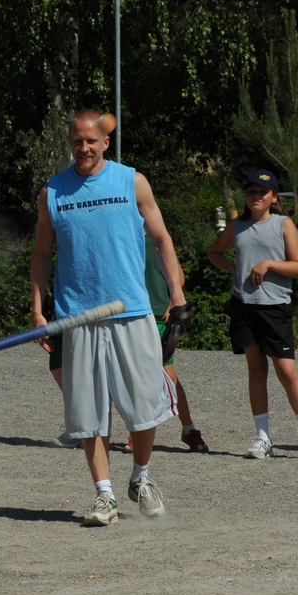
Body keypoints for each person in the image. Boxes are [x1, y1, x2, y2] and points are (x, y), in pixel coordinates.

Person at [31, 109, 186, 526]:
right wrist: (37, 309)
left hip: (131, 309)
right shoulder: (53, 192)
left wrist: (176, 292)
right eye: (76, 142)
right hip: (77, 316)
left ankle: (141, 477)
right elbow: (42, 253)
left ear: (105, 142)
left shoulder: (132, 181)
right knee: (88, 413)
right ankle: (104, 495)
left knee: (145, 406)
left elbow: (161, 239)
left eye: (90, 141)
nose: (83, 148)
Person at [208, 169, 298, 461]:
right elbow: (215, 253)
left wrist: (267, 264)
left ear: (274, 197)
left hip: (275, 306)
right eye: (251, 191)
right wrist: (236, 270)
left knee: (287, 371)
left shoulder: (283, 224)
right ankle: (263, 438)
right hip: (244, 305)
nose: (256, 196)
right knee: (256, 370)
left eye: (263, 192)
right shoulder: (237, 225)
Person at [49, 235, 208, 454]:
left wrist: (173, 299)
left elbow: (178, 275)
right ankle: (87, 428)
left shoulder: (154, 237)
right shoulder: (112, 235)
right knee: (84, 371)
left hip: (153, 313)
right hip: (120, 314)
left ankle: (186, 428)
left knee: (166, 375)